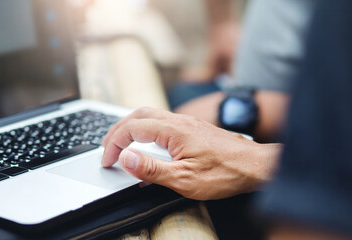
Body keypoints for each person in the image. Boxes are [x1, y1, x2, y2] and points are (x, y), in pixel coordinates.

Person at [102, 0, 352, 238]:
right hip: (240, 92)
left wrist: (254, 154)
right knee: (175, 103)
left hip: (291, 157)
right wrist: (221, 24)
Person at [170, 0, 316, 142]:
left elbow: (332, 120)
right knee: (179, 93)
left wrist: (239, 108)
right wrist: (222, 25)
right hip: (236, 96)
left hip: (278, 136)